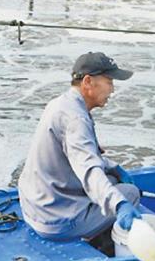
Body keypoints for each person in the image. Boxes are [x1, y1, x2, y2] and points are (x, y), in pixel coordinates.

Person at [18, 51, 142, 241]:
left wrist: (112, 167)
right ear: (87, 82)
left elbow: (77, 154)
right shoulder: (76, 120)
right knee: (130, 194)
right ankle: (103, 243)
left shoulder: (60, 104)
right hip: (54, 220)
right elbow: (89, 171)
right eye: (109, 81)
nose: (113, 90)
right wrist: (120, 205)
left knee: (113, 180)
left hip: (33, 205)